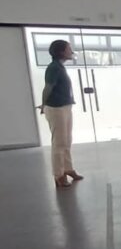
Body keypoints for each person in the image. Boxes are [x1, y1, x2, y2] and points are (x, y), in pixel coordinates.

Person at [41, 40, 82, 187]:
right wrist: (43, 104)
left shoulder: (60, 67)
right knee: (59, 143)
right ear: (60, 52)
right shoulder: (54, 68)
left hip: (65, 107)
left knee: (66, 140)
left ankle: (68, 168)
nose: (71, 51)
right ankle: (58, 175)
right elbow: (48, 87)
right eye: (68, 49)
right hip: (56, 108)